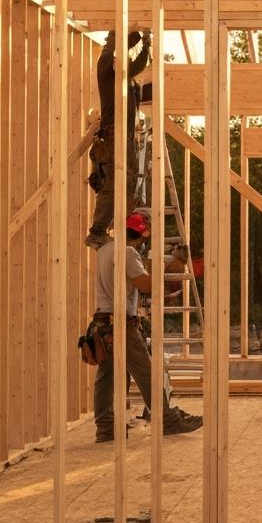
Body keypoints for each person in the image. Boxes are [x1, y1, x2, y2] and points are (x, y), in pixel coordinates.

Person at [91, 211, 203, 442]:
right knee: (147, 373)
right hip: (121, 324)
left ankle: (105, 426)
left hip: (103, 322)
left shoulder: (104, 250)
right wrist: (157, 262)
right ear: (141, 236)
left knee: (106, 375)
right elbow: (146, 285)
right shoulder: (128, 252)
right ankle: (167, 421)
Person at [85, 29, 151, 248]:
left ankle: (112, 222)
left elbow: (137, 66)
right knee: (114, 183)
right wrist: (115, 40)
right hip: (114, 134)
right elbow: (107, 56)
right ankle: (97, 230)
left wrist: (145, 43)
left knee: (128, 180)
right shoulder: (107, 71)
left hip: (124, 136)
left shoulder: (125, 78)